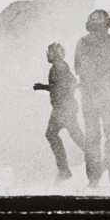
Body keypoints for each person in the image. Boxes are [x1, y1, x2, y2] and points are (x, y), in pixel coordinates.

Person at [74, 10, 110, 187]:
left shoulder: (83, 43)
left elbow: (78, 68)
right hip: (103, 98)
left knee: (96, 139)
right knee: (106, 139)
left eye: (99, 26)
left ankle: (97, 176)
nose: (98, 30)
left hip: (97, 98)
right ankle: (104, 174)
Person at [34, 42, 86, 183]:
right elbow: (70, 83)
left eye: (50, 52)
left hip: (63, 108)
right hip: (65, 107)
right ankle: (91, 156)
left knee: (53, 134)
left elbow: (62, 86)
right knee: (74, 135)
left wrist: (43, 87)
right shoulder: (62, 66)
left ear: (56, 53)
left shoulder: (58, 66)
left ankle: (65, 169)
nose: (47, 54)